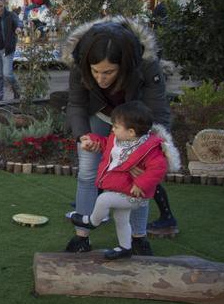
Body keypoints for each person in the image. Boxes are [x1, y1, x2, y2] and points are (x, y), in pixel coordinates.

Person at [63, 15, 176, 255]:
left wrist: (148, 152)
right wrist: (83, 135)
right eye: (95, 72)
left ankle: (138, 238)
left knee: (139, 178)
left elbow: (157, 112)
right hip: (100, 116)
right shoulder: (79, 61)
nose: (100, 79)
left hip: (136, 122)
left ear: (124, 65)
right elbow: (76, 104)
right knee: (86, 173)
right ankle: (81, 237)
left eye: (109, 72)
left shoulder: (145, 65)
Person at [68, 101, 178, 260]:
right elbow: (106, 145)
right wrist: (93, 140)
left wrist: (141, 183)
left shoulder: (149, 147)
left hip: (135, 194)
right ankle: (125, 247)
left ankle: (91, 221)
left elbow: (158, 168)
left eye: (116, 126)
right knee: (121, 219)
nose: (112, 129)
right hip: (121, 191)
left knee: (104, 199)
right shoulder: (118, 139)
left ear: (131, 132)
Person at [0, 0, 23, 100]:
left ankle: (17, 91)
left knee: (7, 74)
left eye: (1, 6)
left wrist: (18, 28)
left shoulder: (10, 15)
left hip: (7, 49)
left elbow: (19, 22)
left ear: (4, 5)